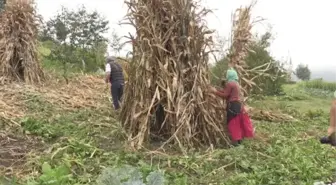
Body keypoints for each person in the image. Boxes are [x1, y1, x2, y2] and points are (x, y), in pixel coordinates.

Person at [209, 67, 254, 146]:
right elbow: (226, 92)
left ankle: (236, 144)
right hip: (238, 105)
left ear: (229, 75)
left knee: (233, 124)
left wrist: (214, 91)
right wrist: (216, 90)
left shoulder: (230, 84)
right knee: (238, 123)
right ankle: (240, 142)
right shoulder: (236, 84)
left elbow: (225, 95)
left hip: (232, 106)